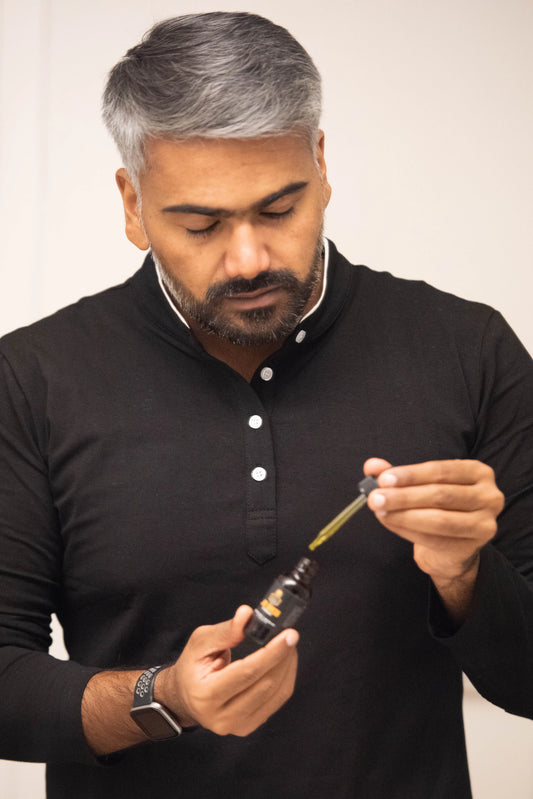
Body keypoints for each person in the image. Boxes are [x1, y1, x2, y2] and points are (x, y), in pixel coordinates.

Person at [0, 11, 532, 799]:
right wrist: (164, 699)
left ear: (320, 164)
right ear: (132, 204)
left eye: (278, 210)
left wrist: (461, 574)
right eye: (202, 223)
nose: (248, 258)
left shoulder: (468, 348)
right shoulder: (31, 377)